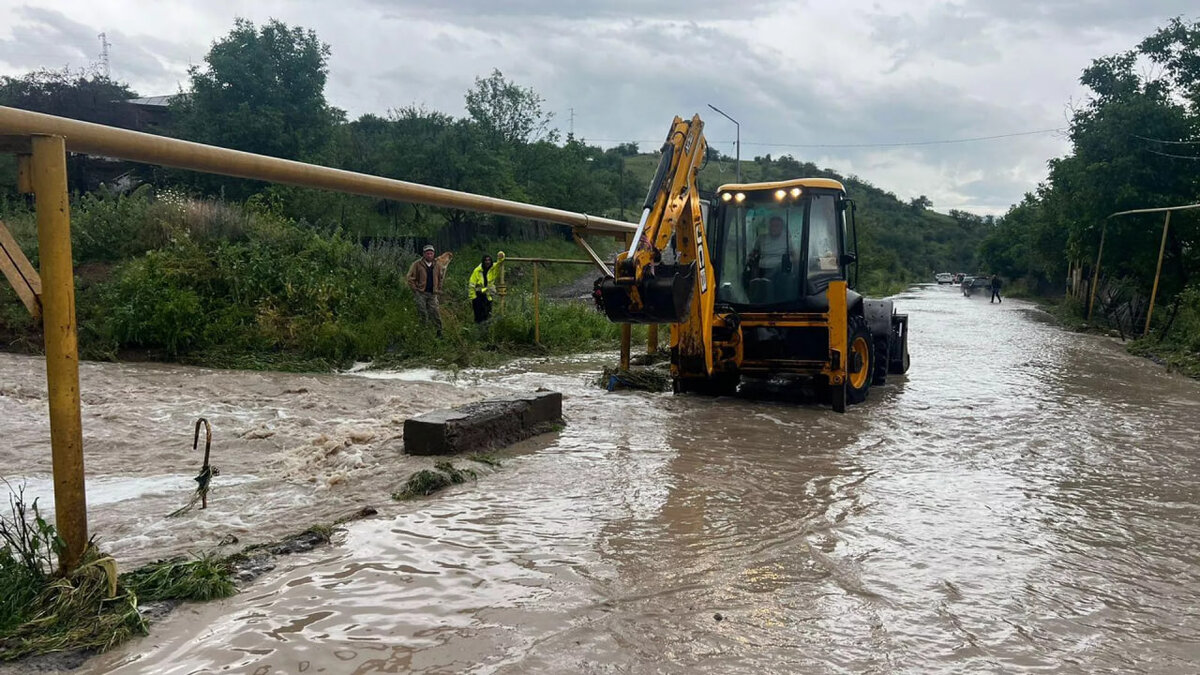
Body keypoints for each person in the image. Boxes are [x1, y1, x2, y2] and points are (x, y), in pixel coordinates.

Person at [407, 244, 447, 336]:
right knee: (422, 313)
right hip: (421, 293)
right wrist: (415, 289)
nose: (429, 255)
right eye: (427, 253)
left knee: (435, 313)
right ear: (424, 254)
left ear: (433, 254)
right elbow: (410, 278)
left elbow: (440, 277)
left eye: (431, 253)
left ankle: (439, 332)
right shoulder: (417, 264)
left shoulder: (437, 265)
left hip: (433, 293)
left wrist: (439, 288)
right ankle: (423, 333)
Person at [468, 251, 505, 323]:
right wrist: (473, 297)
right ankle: (479, 331)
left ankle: (486, 331)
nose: (487, 262)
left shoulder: (493, 268)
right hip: (478, 295)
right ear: (483, 261)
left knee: (488, 315)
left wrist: (501, 254)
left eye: (489, 260)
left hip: (488, 295)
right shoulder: (477, 271)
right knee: (478, 316)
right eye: (486, 260)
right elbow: (471, 284)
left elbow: (500, 261)